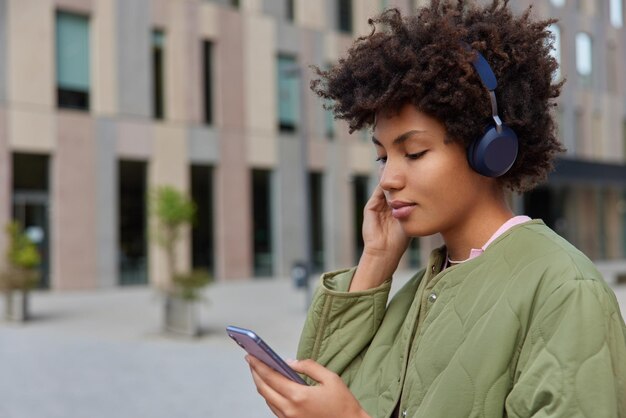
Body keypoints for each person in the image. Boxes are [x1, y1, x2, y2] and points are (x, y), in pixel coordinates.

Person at [245, 1, 626, 417]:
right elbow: (314, 386)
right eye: (383, 157)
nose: (388, 179)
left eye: (413, 152)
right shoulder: (414, 294)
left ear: (489, 150)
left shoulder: (565, 291)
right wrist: (374, 263)